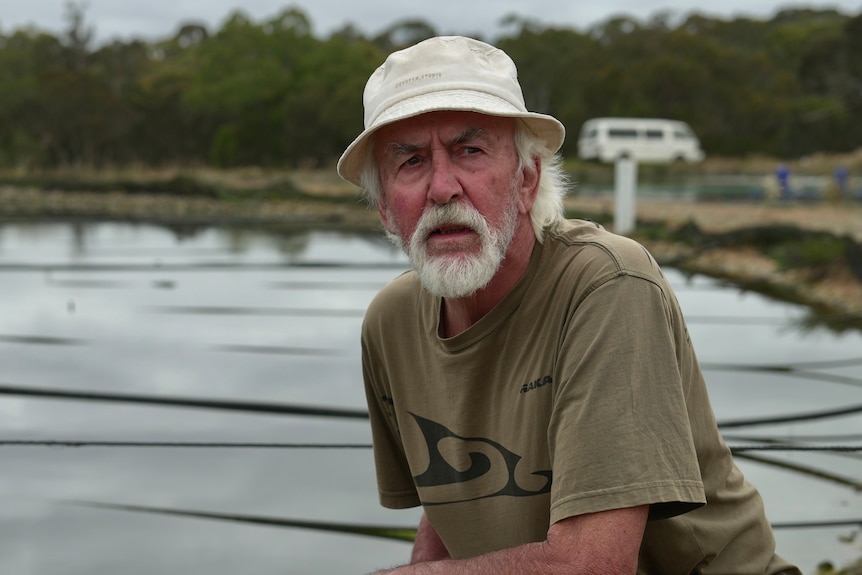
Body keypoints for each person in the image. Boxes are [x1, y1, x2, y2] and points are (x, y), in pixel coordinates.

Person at [337, 35, 800, 574]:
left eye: (471, 151)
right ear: (386, 211)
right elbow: (450, 502)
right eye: (411, 161)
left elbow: (593, 566)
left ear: (527, 180)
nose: (443, 188)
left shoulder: (608, 285)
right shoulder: (390, 324)